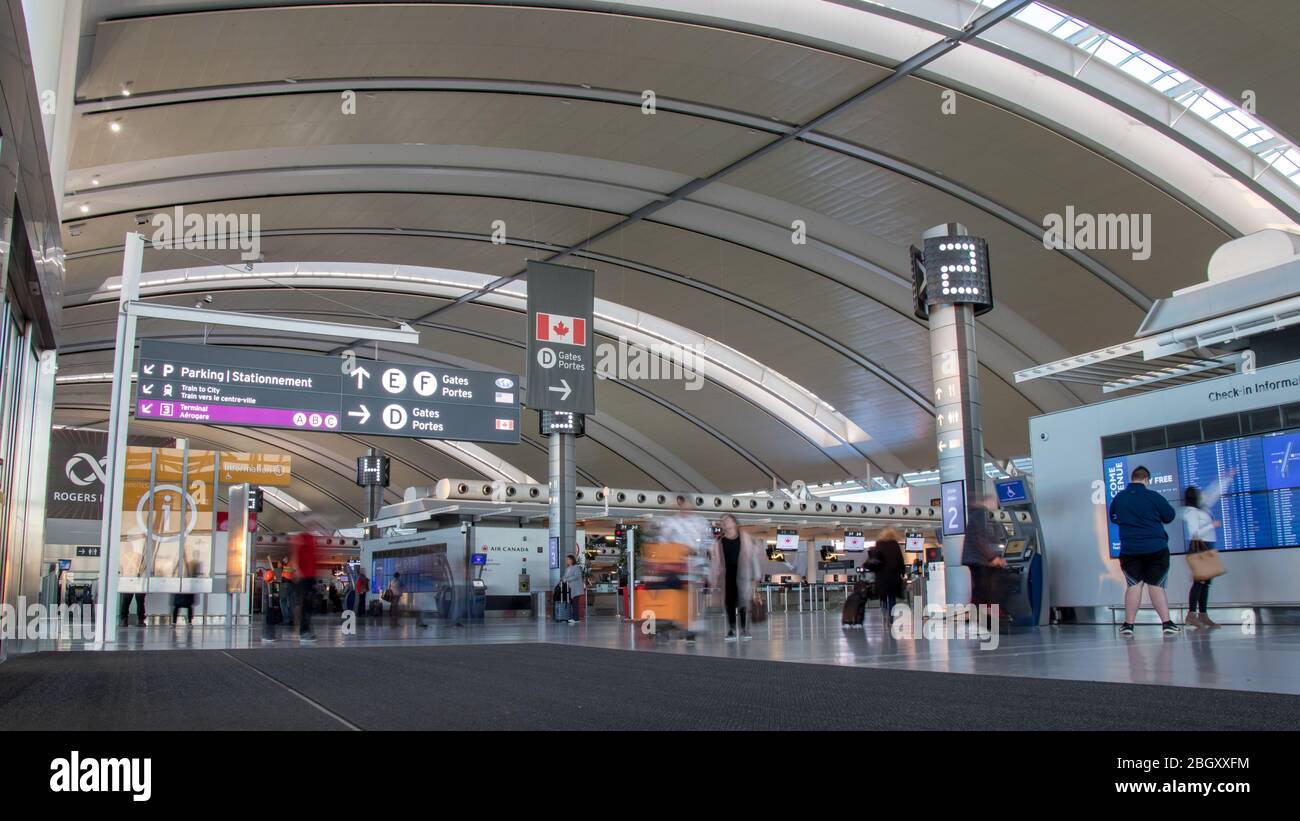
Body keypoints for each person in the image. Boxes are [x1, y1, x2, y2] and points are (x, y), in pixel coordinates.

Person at [1109, 465, 1180, 636]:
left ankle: (1128, 625)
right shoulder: (1153, 496)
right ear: (1147, 479)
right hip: (1156, 548)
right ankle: (1167, 623)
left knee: (1134, 585)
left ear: (1132, 478)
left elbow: (1114, 518)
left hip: (1130, 549)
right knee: (1156, 585)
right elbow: (1169, 516)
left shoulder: (1119, 498)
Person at [1182, 468, 1234, 629]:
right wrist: (1212, 525)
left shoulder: (1202, 507)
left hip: (1208, 547)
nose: (1201, 495)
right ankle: (1191, 614)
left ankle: (1203, 615)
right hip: (1199, 548)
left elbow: (1214, 492)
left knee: (1206, 583)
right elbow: (1194, 532)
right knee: (1199, 581)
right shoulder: (1190, 512)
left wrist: (1227, 479)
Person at [659, 498, 711, 641]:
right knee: (677, 596)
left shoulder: (701, 523)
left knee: (693, 596)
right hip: (677, 564)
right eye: (683, 508)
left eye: (688, 507)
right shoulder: (671, 523)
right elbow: (663, 541)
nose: (686, 510)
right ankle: (676, 625)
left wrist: (706, 569)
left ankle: (690, 627)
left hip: (695, 564)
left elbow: (706, 545)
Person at [708, 514, 763, 641]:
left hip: (743, 573)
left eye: (727, 520)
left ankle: (744, 629)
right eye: (723, 521)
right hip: (727, 575)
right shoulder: (719, 542)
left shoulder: (745, 539)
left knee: (743, 601)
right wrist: (713, 580)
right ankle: (731, 629)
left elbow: (753, 557)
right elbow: (715, 563)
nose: (724, 523)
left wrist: (757, 576)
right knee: (729, 603)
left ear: (734, 523)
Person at [865, 527, 905, 625]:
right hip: (894, 577)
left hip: (882, 576)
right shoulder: (895, 545)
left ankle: (885, 614)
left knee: (883, 597)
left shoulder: (879, 544)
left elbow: (875, 559)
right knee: (892, 598)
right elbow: (900, 560)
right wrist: (902, 573)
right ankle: (891, 617)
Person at [290, 532, 319, 642]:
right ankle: (304, 631)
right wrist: (297, 571)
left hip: (310, 576)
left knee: (308, 605)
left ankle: (306, 630)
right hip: (304, 577)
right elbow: (295, 555)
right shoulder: (300, 538)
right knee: (304, 605)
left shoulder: (311, 538)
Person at [563, 554, 586, 624]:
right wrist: (564, 579)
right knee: (572, 603)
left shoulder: (576, 567)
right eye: (566, 560)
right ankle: (573, 617)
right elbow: (565, 577)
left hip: (576, 588)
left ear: (572, 560)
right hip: (570, 588)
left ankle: (576, 618)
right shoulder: (567, 568)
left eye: (568, 559)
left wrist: (567, 579)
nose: (567, 561)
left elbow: (576, 576)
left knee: (575, 603)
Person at [278, 561, 295, 626]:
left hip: (286, 583)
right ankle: (291, 620)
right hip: (292, 584)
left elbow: (279, 565)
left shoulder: (288, 559)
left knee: (283, 601)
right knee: (291, 602)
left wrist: (283, 566)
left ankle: (286, 620)